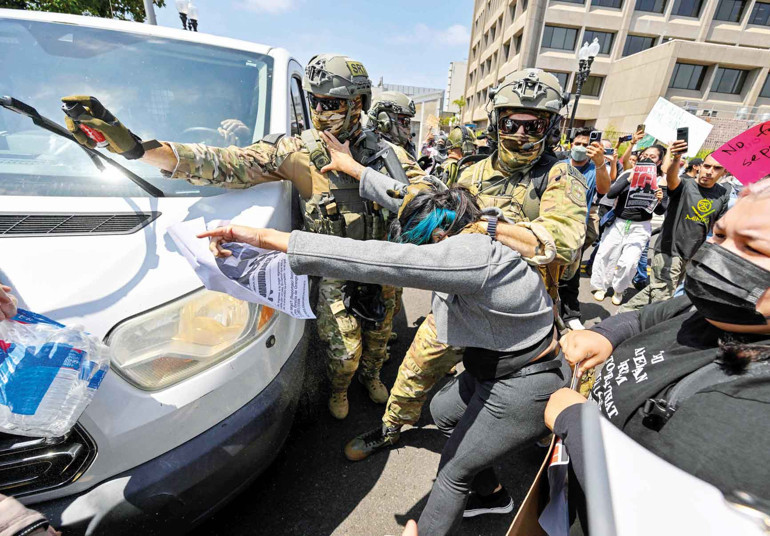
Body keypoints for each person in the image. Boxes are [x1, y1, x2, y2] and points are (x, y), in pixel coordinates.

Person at [199, 154, 569, 536]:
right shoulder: (466, 221)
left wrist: (264, 239)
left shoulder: (469, 256)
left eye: (425, 248)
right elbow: (407, 195)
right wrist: (356, 169)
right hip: (490, 363)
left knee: (452, 473)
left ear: (440, 240)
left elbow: (376, 259)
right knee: (444, 413)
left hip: (523, 380)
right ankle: (491, 492)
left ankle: (472, 490)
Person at [61, 54, 425, 421]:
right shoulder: (298, 151)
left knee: (379, 338)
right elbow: (226, 163)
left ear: (357, 104)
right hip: (334, 270)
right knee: (344, 353)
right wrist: (138, 149)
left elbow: (430, 204)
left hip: (381, 266)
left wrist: (359, 171)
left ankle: (372, 376)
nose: (319, 111)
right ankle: (340, 388)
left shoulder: (386, 155)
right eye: (313, 101)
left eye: (330, 104)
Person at [344, 68, 587, 468]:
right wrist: (360, 173)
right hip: (458, 301)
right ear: (496, 122)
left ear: (551, 127)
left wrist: (489, 227)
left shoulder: (560, 176)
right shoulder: (471, 171)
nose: (520, 134)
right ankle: (391, 427)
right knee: (416, 367)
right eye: (511, 123)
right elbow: (426, 200)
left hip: (518, 315)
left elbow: (563, 240)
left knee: (533, 391)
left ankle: (538, 439)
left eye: (534, 125)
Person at [546, 179, 770, 526]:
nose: (718, 256)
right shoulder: (715, 309)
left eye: (753, 248)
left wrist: (575, 422)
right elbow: (648, 316)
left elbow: (655, 514)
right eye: (720, 235)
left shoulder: (757, 412)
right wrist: (606, 335)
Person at [622, 150, 731, 312]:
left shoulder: (722, 194)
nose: (709, 171)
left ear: (724, 172)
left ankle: (622, 314)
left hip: (691, 253)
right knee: (662, 300)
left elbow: (719, 226)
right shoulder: (685, 184)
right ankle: (642, 325)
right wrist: (676, 158)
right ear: (700, 166)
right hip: (669, 250)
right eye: (707, 166)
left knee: (658, 291)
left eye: (716, 168)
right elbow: (672, 180)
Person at [590, 145, 670, 306]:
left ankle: (619, 289)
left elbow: (661, 211)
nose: (647, 158)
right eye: (645, 155)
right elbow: (611, 194)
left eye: (652, 157)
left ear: (659, 161)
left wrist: (660, 199)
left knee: (630, 262)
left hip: (640, 227)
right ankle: (601, 286)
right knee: (606, 255)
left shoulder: (660, 181)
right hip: (618, 223)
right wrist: (629, 178)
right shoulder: (628, 173)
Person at [558, 128, 611, 330]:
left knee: (570, 276)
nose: (580, 148)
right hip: (551, 226)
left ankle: (570, 314)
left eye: (585, 145)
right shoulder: (558, 165)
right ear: (571, 145)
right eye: (577, 144)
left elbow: (604, 189)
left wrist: (600, 163)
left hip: (575, 230)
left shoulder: (594, 170)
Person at [367, 90, 417, 158]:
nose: (408, 127)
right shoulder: (368, 147)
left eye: (408, 121)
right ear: (383, 119)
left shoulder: (406, 147)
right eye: (403, 120)